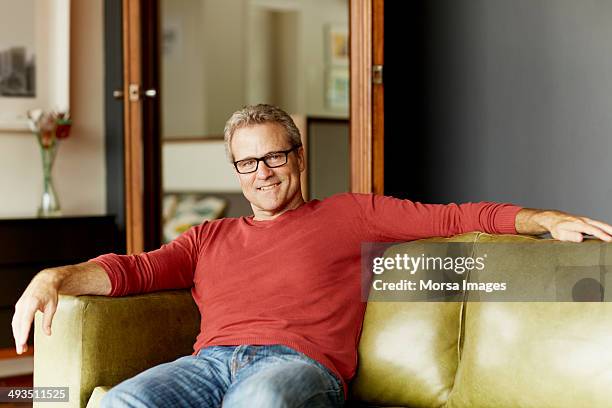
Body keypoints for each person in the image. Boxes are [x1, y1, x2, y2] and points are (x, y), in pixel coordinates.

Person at [12, 104, 612, 408]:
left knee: (262, 403)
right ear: (237, 173)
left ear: (298, 157)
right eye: (248, 163)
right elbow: (135, 270)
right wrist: (52, 278)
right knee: (121, 403)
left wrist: (545, 220)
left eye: (274, 157)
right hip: (207, 365)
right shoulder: (208, 237)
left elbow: (456, 219)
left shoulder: (349, 214)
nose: (263, 173)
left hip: (296, 369)